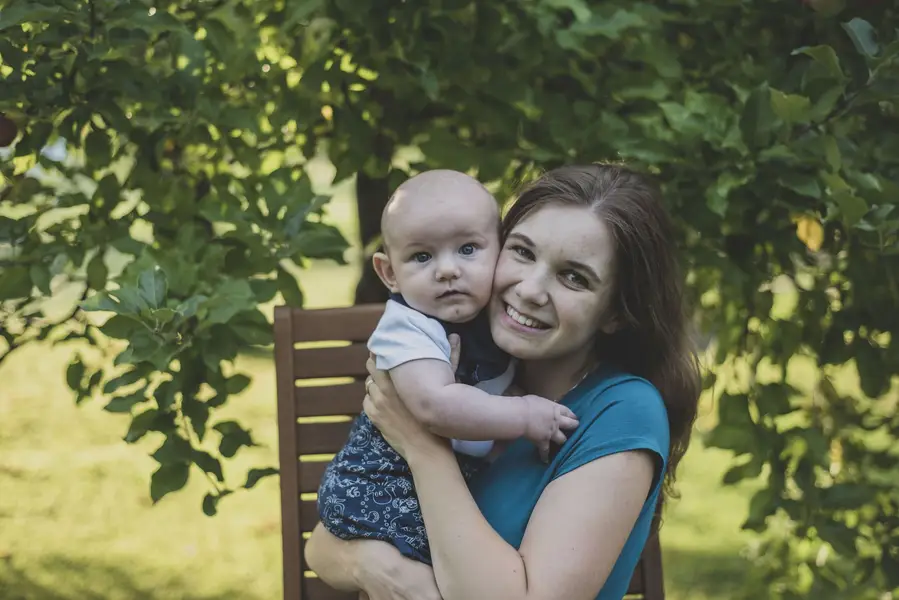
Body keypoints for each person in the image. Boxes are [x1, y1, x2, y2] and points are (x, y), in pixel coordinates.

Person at [306, 163, 702, 600]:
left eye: (574, 277)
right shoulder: (473, 371)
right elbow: (324, 543)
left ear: (615, 313)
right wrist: (375, 566)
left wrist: (421, 445)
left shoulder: (623, 411)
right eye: (523, 252)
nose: (530, 289)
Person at [317, 169, 580, 566]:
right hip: (382, 488)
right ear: (389, 273)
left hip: (441, 486)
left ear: (500, 249)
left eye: (468, 249)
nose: (447, 269)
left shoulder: (494, 319)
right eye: (422, 256)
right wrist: (525, 414)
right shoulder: (407, 327)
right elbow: (435, 405)